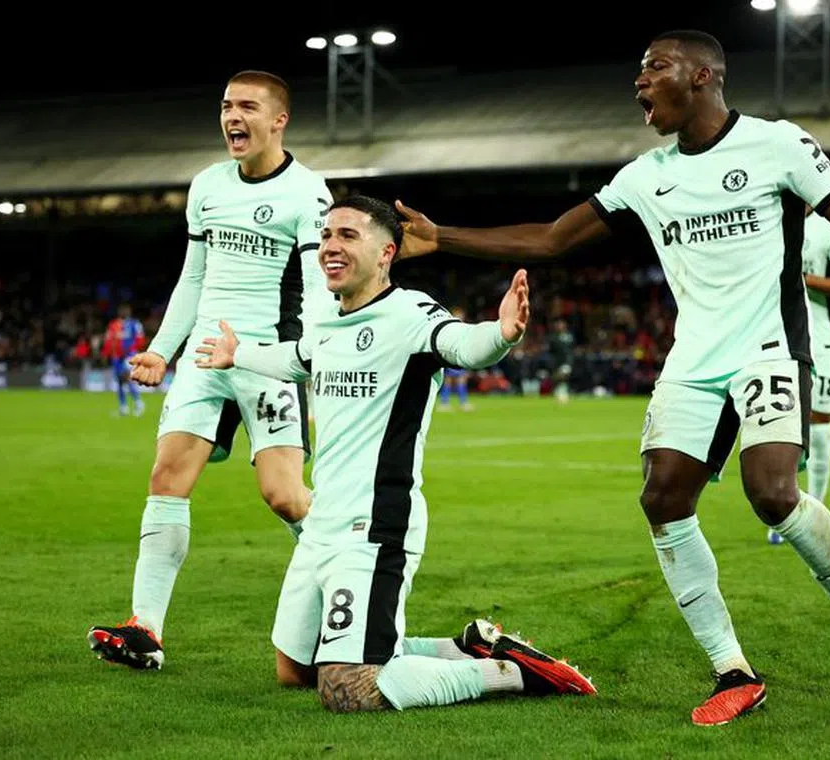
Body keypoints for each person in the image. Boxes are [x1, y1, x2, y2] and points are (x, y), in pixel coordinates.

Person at [394, 30, 830, 725]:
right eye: (638, 71)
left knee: (773, 494)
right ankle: (733, 669)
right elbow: (550, 240)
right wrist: (441, 236)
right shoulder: (646, 174)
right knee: (663, 500)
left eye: (653, 68)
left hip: (771, 348)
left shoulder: (778, 145)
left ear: (701, 75)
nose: (639, 83)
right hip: (693, 360)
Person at [194, 195, 596, 712]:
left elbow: (462, 345)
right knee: (295, 670)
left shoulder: (410, 313)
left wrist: (501, 334)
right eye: (326, 236)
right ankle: (464, 647)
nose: (330, 247)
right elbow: (297, 359)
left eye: (348, 236)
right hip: (322, 525)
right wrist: (238, 354)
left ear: (386, 253)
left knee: (348, 690)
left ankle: (510, 673)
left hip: (376, 527)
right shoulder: (330, 323)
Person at [87, 70, 335, 670]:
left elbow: (319, 288)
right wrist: (161, 350)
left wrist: (317, 354)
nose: (232, 116)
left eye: (247, 106)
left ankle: (348, 596)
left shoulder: (309, 192)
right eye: (226, 106)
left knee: (283, 496)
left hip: (264, 359)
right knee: (166, 479)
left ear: (279, 120)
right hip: (203, 357)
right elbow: (193, 277)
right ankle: (144, 630)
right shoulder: (207, 186)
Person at [767, 205, 830, 545]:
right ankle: (784, 512)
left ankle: (815, 510)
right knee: (779, 430)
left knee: (819, 430)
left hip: (822, 341)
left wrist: (803, 280)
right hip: (776, 339)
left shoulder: (828, 230)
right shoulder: (766, 220)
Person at [101, 302, 146, 417]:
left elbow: (140, 339)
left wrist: (133, 350)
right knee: (120, 381)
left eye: (126, 310)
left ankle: (138, 403)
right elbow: (108, 340)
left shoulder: (135, 324)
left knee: (127, 378)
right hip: (116, 356)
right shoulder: (113, 325)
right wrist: (106, 354)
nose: (124, 312)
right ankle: (123, 407)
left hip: (129, 356)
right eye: (122, 310)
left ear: (129, 312)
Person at [437, 306, 475, 411]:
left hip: (460, 357)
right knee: (449, 381)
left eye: (461, 315)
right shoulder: (450, 327)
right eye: (458, 315)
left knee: (461, 380)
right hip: (451, 357)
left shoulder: (463, 327)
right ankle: (445, 403)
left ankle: (462, 403)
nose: (460, 317)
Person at [547, 318, 575, 403]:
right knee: (556, 379)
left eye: (561, 324)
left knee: (563, 376)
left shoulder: (570, 337)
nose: (559, 326)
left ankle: (563, 393)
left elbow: (571, 349)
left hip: (567, 362)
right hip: (556, 363)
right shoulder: (553, 338)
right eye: (558, 324)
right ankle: (560, 393)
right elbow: (551, 351)